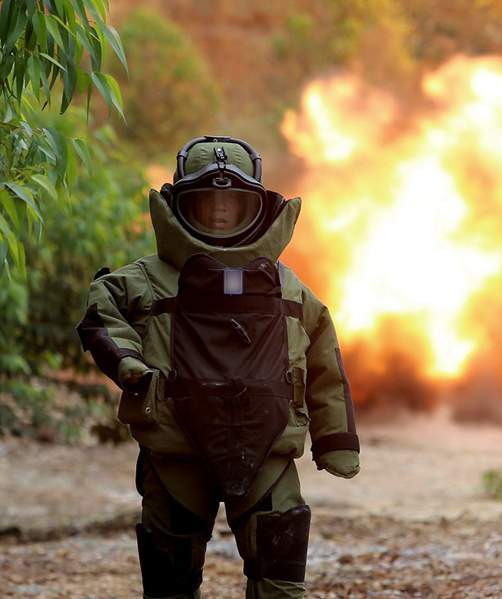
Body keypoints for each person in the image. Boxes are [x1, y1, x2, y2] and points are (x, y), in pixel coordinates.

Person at [76, 135, 360, 599]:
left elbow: (324, 355)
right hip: (175, 454)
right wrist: (128, 362)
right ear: (180, 206)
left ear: (258, 208)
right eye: (207, 202)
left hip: (266, 450)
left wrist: (336, 439)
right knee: (170, 585)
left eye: (232, 203)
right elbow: (100, 310)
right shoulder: (150, 277)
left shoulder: (286, 287)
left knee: (280, 580)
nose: (220, 213)